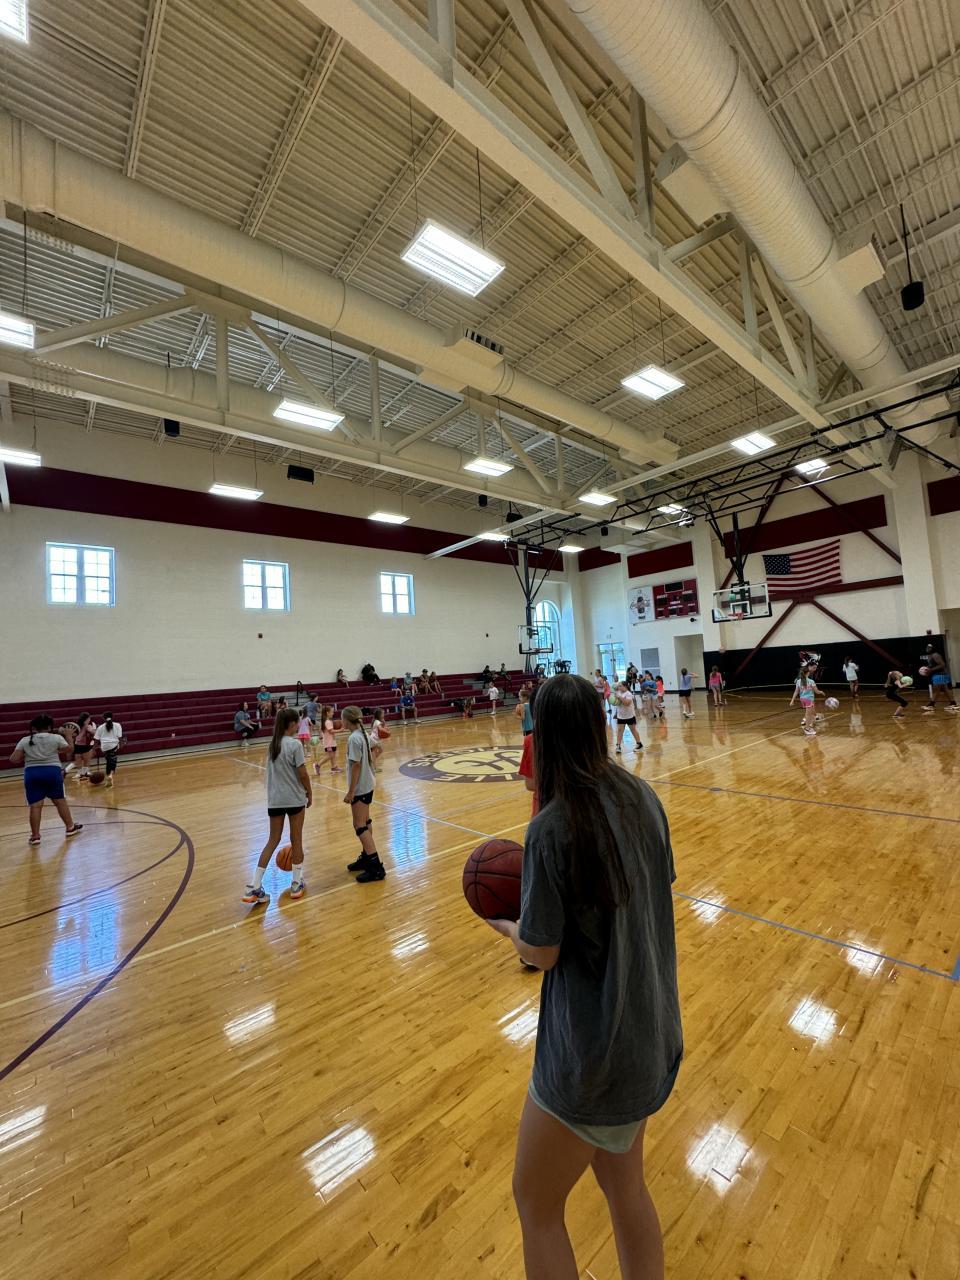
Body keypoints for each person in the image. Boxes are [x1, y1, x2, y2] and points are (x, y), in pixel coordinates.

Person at [486, 674, 681, 1280]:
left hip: (592, 1058)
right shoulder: (643, 795)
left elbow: (542, 953)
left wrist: (506, 926)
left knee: (536, 1205)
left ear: (541, 737)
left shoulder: (552, 826)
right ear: (598, 726)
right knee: (627, 1192)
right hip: (648, 1036)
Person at [241, 708, 310, 904]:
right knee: (296, 839)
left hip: (275, 799)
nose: (299, 725)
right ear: (292, 724)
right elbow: (303, 774)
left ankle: (253, 886)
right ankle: (296, 883)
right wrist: (310, 792)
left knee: (272, 840)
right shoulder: (295, 745)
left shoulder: (272, 745)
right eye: (298, 722)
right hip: (294, 798)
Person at [10, 716, 84, 846]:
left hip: (32, 773)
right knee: (60, 802)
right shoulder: (56, 738)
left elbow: (14, 759)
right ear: (49, 727)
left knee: (35, 806)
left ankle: (35, 836)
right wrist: (69, 736)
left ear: (34, 727)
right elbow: (70, 750)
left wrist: (27, 755)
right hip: (52, 772)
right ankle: (70, 828)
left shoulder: (25, 740)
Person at [341, 706, 387, 883]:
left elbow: (356, 765)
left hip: (360, 786)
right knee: (366, 821)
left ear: (347, 720)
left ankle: (376, 868)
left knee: (359, 825)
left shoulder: (354, 738)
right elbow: (377, 746)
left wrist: (351, 791)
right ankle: (367, 857)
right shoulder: (363, 734)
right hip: (369, 783)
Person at [921, 645, 958, 713]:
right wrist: (927, 668)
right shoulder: (931, 655)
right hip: (938, 675)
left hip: (940, 674)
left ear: (933, 648)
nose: (927, 648)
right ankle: (953, 703)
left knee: (936, 689)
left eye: (929, 647)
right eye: (927, 647)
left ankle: (931, 704)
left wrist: (930, 670)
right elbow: (933, 665)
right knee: (945, 689)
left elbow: (942, 665)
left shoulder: (935, 655)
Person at [789, 664, 822, 736]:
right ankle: (807, 729)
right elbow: (816, 691)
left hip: (802, 699)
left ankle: (809, 726)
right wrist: (821, 692)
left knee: (810, 713)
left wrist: (792, 701)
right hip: (809, 699)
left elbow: (796, 691)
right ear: (808, 673)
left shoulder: (798, 681)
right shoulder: (811, 681)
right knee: (808, 715)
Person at [93, 712, 123, 788]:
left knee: (109, 761)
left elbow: (96, 739)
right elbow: (120, 737)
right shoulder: (117, 725)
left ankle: (108, 776)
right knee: (113, 762)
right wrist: (121, 744)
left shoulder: (100, 727)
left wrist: (94, 749)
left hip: (104, 747)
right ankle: (110, 776)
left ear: (103, 718)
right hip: (114, 746)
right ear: (113, 717)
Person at [613, 682, 641, 755]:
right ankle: (618, 746)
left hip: (629, 715)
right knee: (620, 731)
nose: (619, 687)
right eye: (618, 686)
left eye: (620, 686)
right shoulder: (618, 692)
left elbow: (627, 703)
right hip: (620, 715)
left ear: (625, 686)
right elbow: (615, 702)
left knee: (633, 730)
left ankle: (639, 744)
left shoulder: (629, 694)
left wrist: (619, 697)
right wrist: (614, 699)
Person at [315, 705, 341, 774]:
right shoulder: (327, 722)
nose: (333, 713)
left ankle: (334, 767)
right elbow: (331, 731)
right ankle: (318, 765)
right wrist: (341, 730)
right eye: (332, 712)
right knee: (330, 755)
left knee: (333, 754)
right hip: (329, 742)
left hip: (331, 741)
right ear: (327, 713)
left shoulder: (327, 721)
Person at [70, 712, 97, 778]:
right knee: (78, 759)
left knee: (87, 759)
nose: (90, 719)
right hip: (78, 744)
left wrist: (91, 730)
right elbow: (74, 735)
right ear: (86, 719)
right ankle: (79, 773)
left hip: (87, 744)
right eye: (89, 718)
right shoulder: (76, 725)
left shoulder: (92, 724)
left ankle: (85, 772)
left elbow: (95, 733)